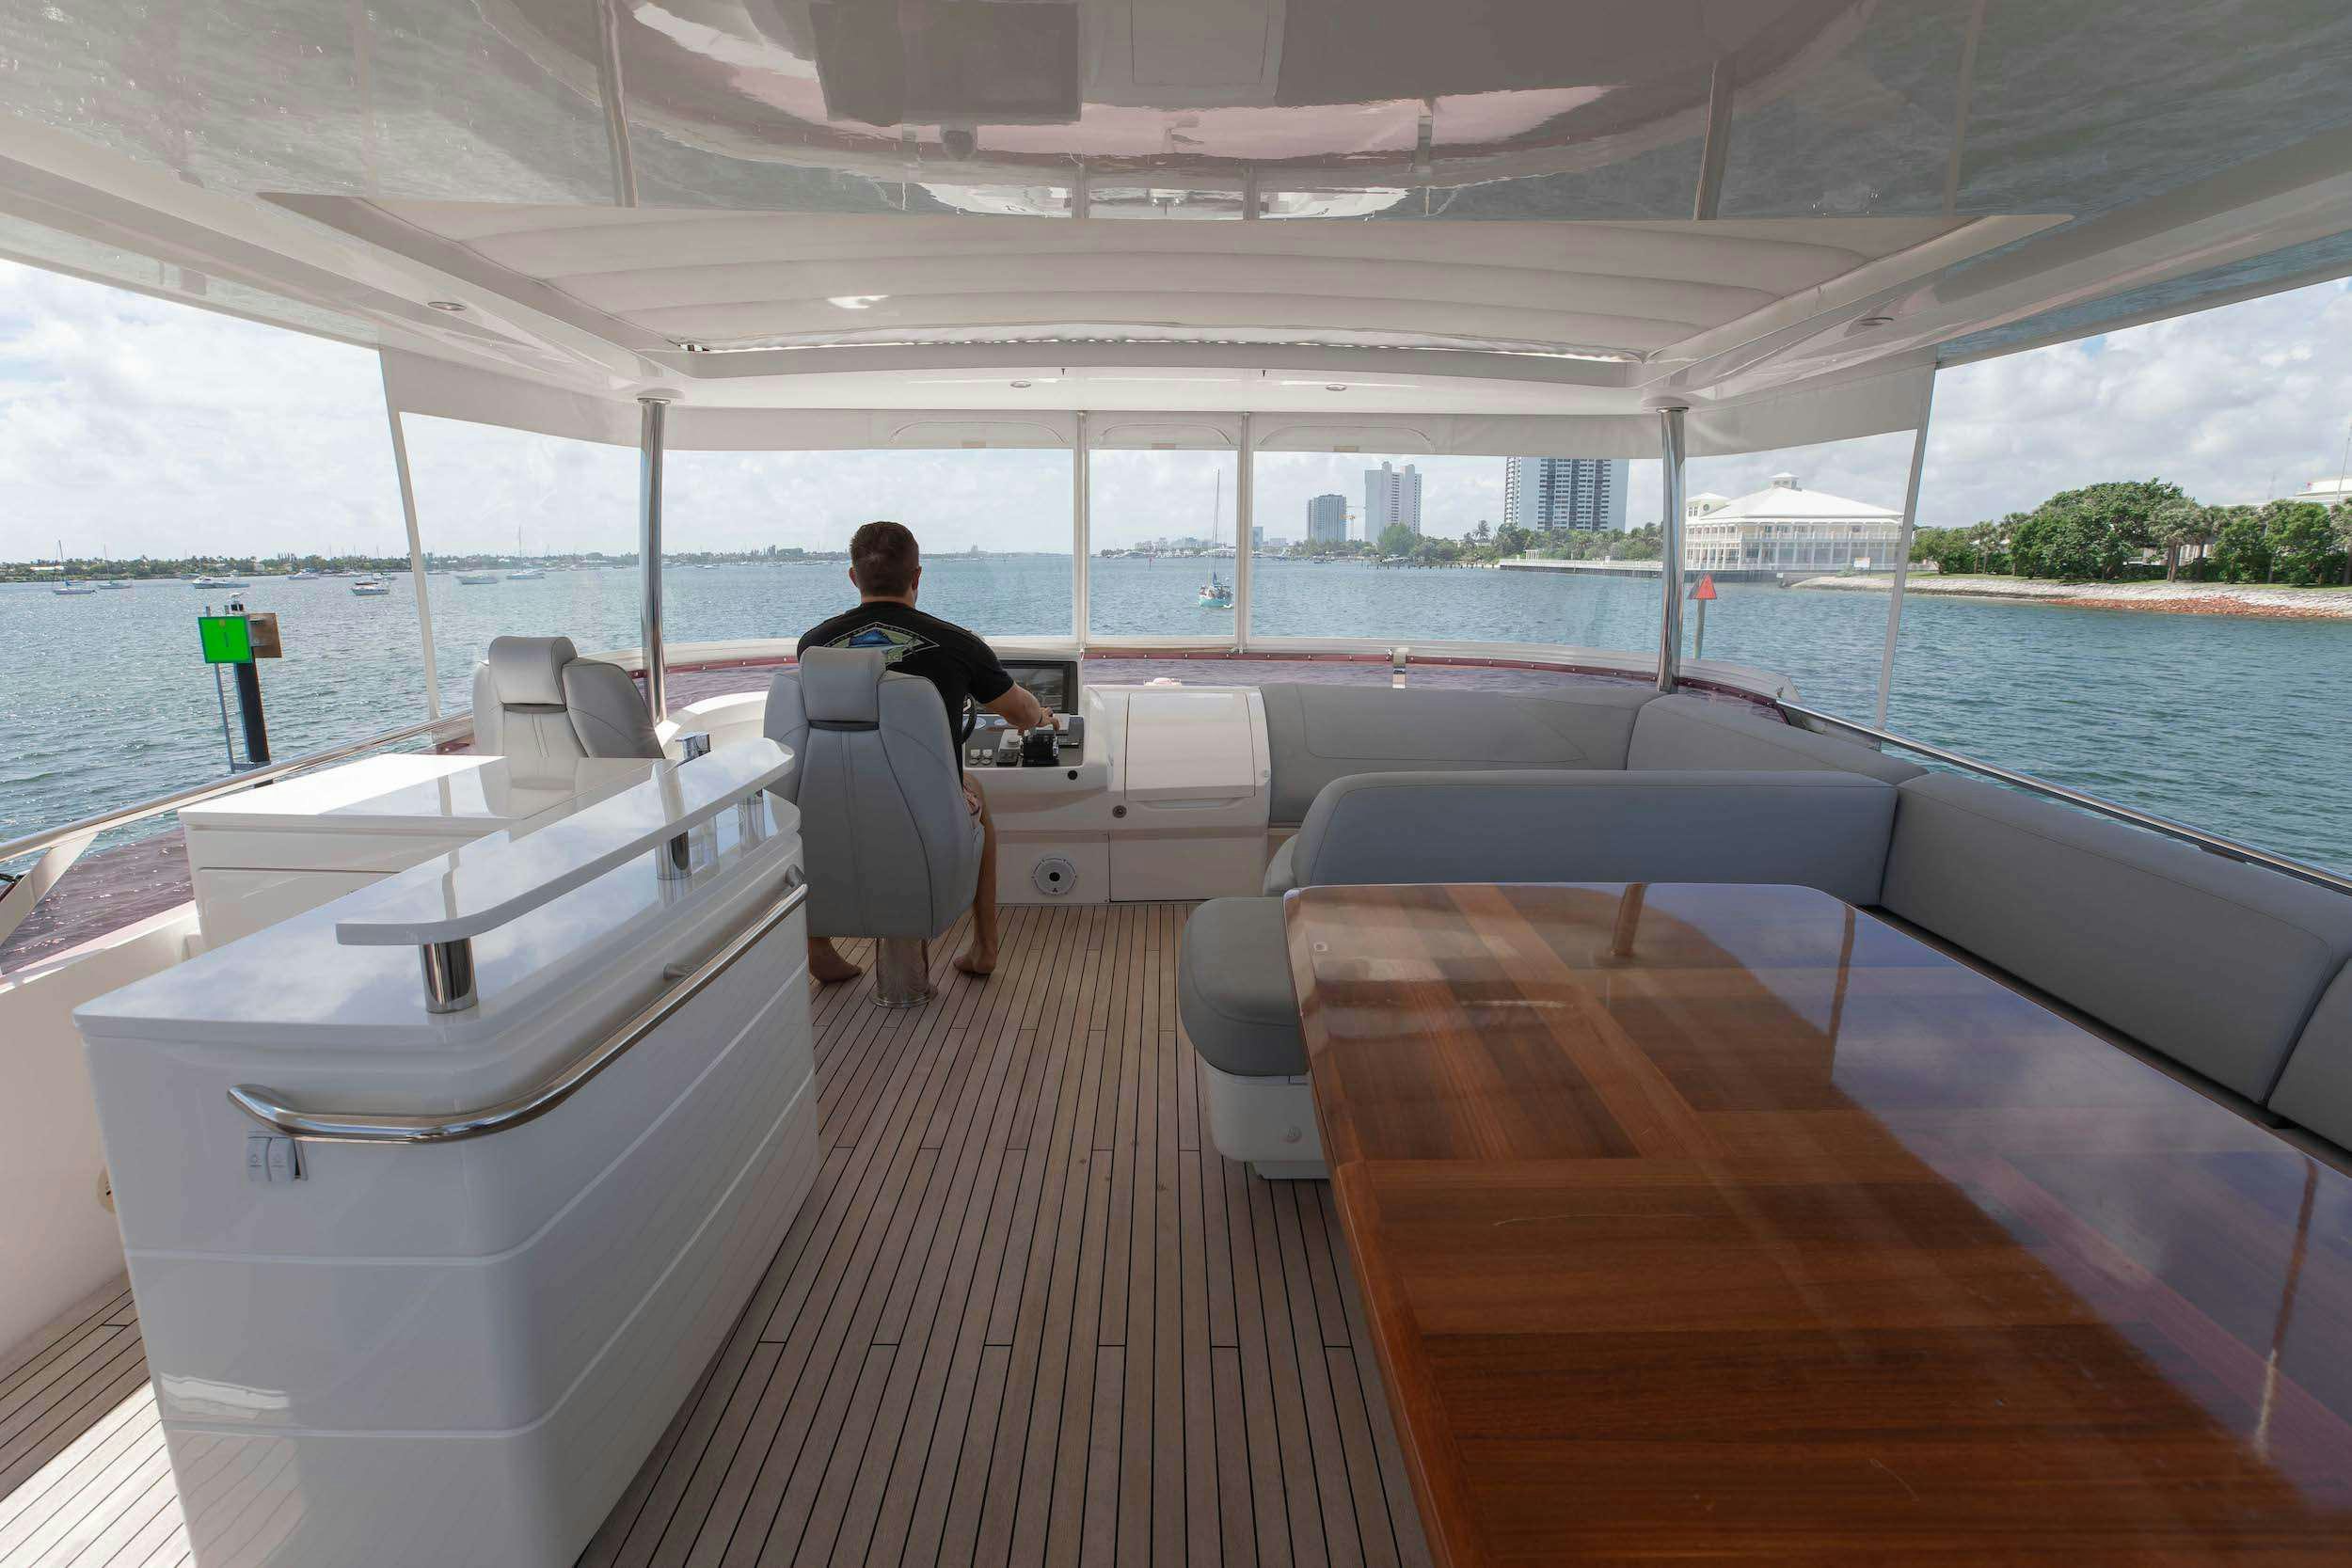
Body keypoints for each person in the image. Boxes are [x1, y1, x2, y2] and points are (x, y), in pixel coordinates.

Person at [797, 520, 1047, 982]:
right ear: (917, 576)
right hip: (927, 808)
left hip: (835, 805)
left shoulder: (813, 646)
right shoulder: (957, 645)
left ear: (853, 577)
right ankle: (985, 946)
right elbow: (1021, 713)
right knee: (975, 790)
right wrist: (1041, 715)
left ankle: (819, 947)